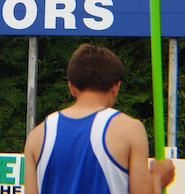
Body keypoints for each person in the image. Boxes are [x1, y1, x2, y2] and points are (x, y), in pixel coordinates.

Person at [24, 43, 175, 194]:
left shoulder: (36, 136)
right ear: (116, 87)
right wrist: (158, 178)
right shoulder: (130, 130)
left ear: (71, 87)